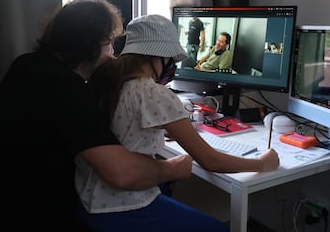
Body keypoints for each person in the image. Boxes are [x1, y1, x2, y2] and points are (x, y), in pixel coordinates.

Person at [0, 0, 193, 231]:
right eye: (109, 43)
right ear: (92, 44)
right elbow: (121, 173)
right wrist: (173, 167)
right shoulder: (64, 88)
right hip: (28, 213)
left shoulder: (26, 65)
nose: (112, 53)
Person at [77, 14, 280, 231]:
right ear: (160, 57)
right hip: (122, 207)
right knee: (216, 228)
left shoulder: (107, 81)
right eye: (172, 59)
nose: (172, 66)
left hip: (87, 199)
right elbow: (211, 161)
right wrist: (262, 163)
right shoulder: (151, 92)